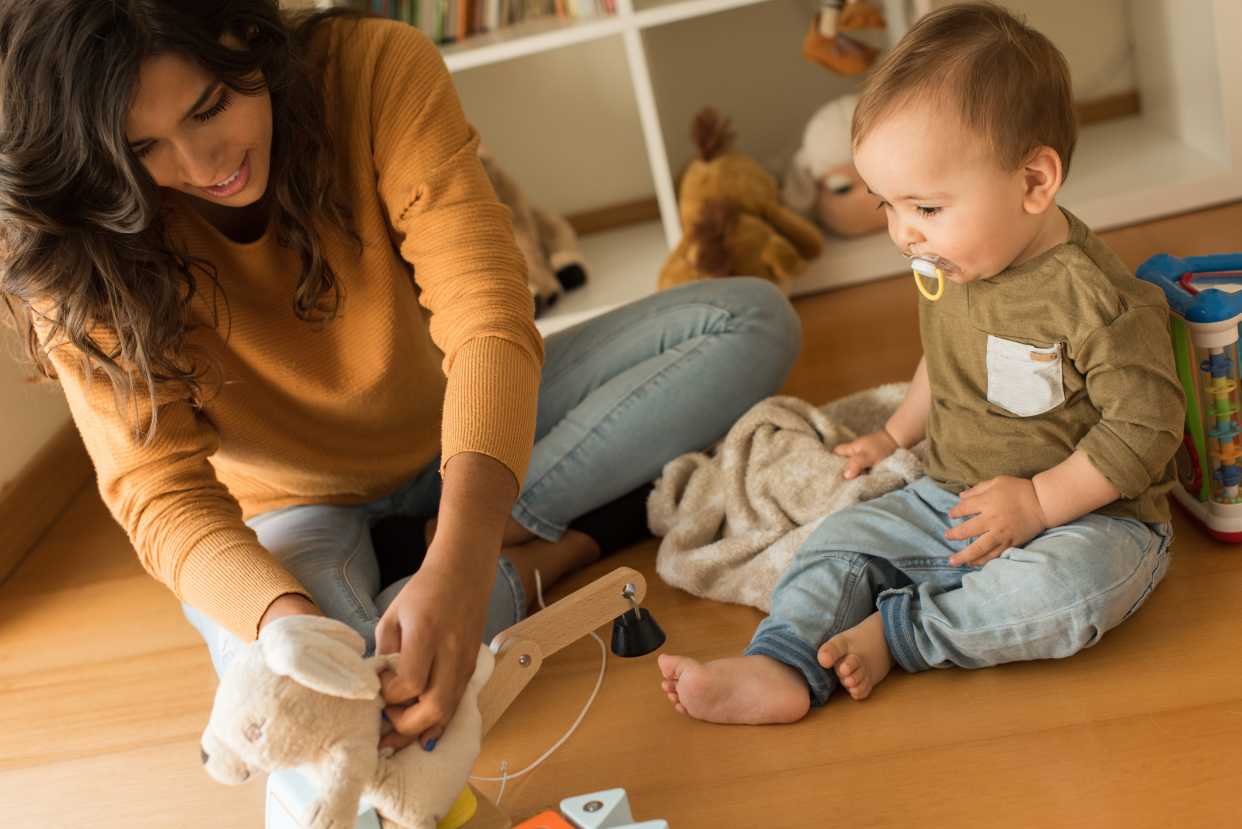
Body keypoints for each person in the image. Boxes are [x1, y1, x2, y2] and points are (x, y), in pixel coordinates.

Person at [0, 0, 802, 752]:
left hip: (459, 418)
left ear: (250, 35)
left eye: (209, 107)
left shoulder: (376, 69)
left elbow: (488, 317)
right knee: (341, 694)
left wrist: (457, 554)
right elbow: (159, 491)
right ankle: (538, 556)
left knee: (751, 320)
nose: (203, 164)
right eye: (144, 149)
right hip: (292, 510)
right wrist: (280, 616)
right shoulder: (77, 233)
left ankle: (474, 536)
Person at [658, 1, 1184, 724]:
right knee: (836, 542)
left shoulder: (1096, 303)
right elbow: (946, 359)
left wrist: (1036, 504)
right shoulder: (953, 263)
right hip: (953, 499)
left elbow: (1148, 426)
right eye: (888, 207)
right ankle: (777, 661)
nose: (904, 235)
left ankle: (903, 633)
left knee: (1077, 592)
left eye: (926, 209)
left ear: (1034, 181)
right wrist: (896, 433)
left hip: (1091, 517)